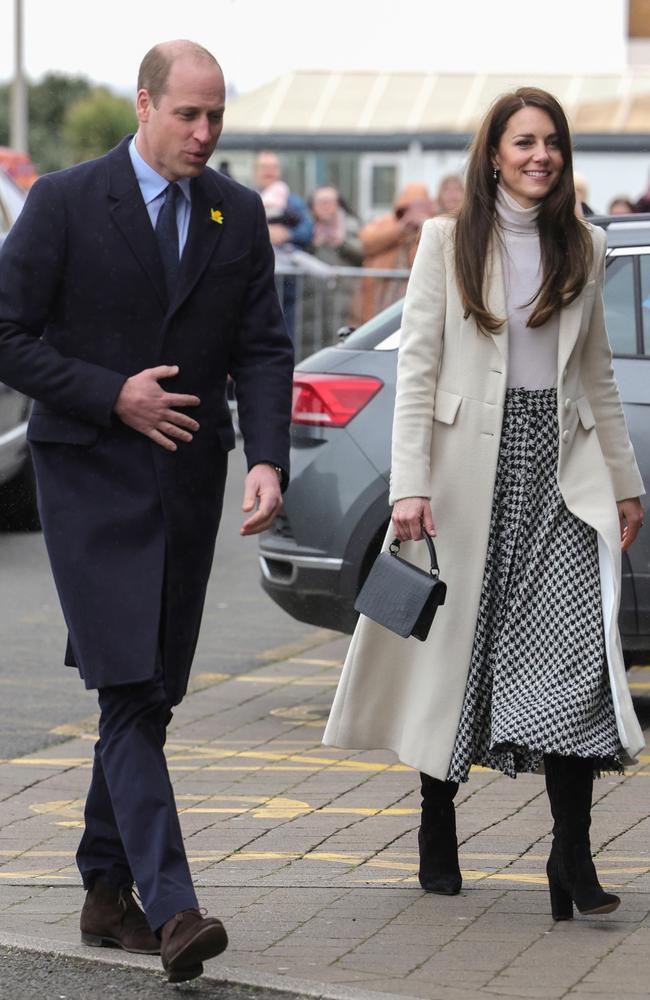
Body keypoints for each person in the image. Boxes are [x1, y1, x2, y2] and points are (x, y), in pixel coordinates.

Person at [0, 40, 293, 982]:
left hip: (187, 480)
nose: (205, 134)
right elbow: (5, 332)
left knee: (151, 689)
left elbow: (264, 348)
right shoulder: (64, 202)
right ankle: (172, 910)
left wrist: (269, 461)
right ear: (144, 104)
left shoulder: (234, 212)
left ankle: (100, 889)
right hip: (87, 475)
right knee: (127, 687)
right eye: (188, 115)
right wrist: (107, 392)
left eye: (217, 117)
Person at [324, 87, 645, 922]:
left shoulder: (586, 242)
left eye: (552, 144)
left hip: (561, 473)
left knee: (575, 661)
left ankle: (569, 853)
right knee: (455, 657)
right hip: (469, 473)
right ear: (495, 153)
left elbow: (598, 377)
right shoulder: (445, 241)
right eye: (524, 142)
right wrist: (409, 488)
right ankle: (437, 819)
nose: (540, 156)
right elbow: (419, 371)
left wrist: (624, 481)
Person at [354, 182, 435, 324]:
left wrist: (424, 227)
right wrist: (400, 229)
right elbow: (366, 243)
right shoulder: (385, 223)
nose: (412, 213)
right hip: (381, 294)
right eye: (408, 208)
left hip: (412, 296)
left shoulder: (433, 227)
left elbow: (431, 257)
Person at [253, 150, 313, 339]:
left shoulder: (292, 201)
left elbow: (308, 229)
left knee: (286, 326)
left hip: (287, 276)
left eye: (273, 167)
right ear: (255, 172)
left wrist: (288, 234)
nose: (269, 172)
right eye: (264, 168)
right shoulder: (245, 197)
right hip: (255, 270)